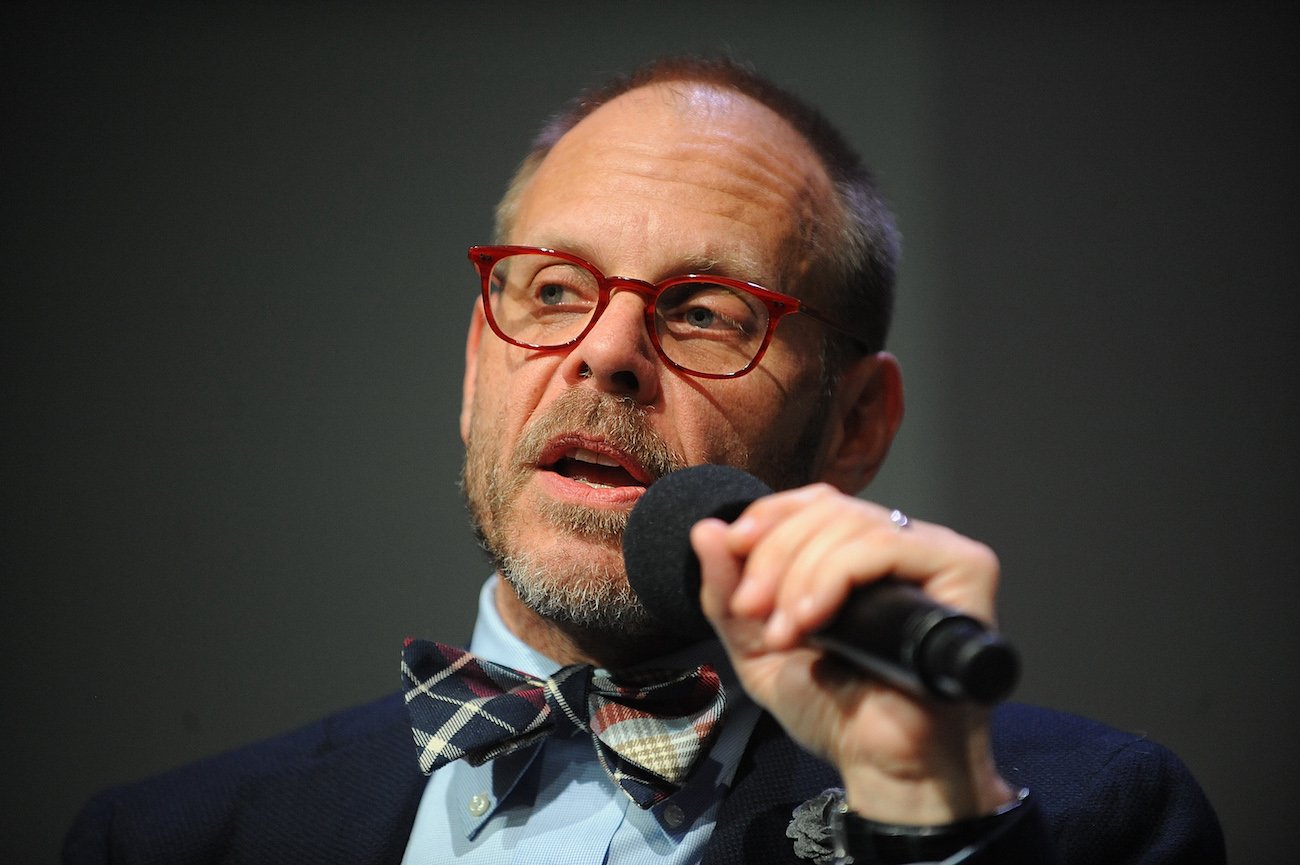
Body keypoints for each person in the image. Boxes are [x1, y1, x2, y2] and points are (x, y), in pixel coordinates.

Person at [64, 56, 1224, 865]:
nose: (603, 352)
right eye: (554, 291)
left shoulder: (1084, 822)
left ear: (857, 422)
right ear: (478, 367)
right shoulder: (165, 839)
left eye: (705, 311)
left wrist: (928, 816)